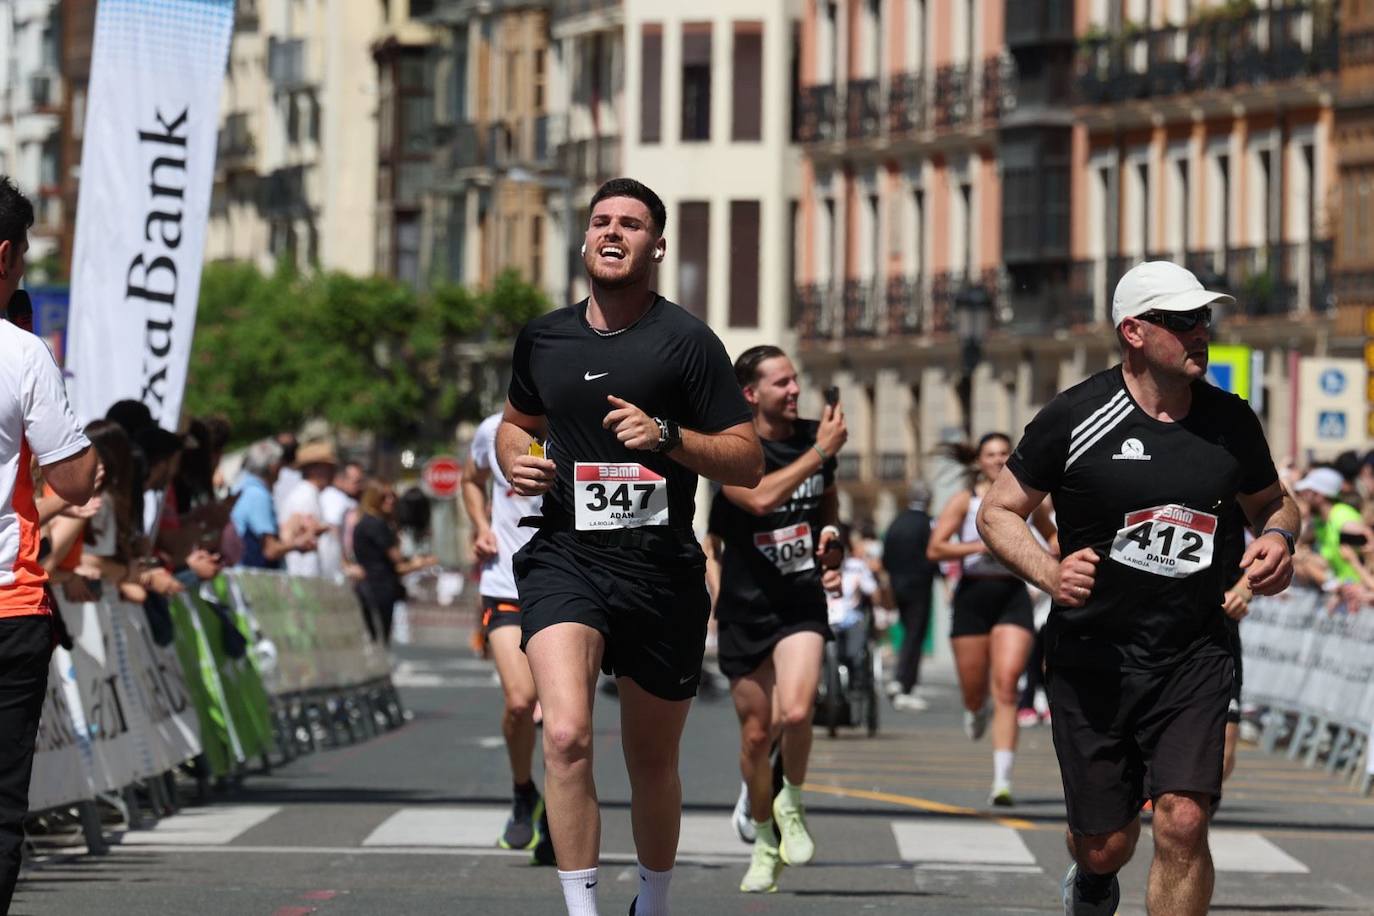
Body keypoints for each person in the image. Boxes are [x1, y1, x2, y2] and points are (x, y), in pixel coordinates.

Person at [976, 260, 1299, 916]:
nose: (1199, 332)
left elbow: (1275, 502)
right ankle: (1092, 884)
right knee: (1103, 844)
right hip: (1094, 655)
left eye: (1203, 318)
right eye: (1181, 321)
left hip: (1194, 651)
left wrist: (1280, 539)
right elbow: (997, 511)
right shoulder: (1076, 416)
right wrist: (1048, 571)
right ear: (1133, 331)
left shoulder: (1229, 421)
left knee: (1182, 820)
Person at [496, 177, 762, 916]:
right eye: (602, 222)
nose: (614, 233)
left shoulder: (687, 343)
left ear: (657, 245)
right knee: (570, 737)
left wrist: (667, 436)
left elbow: (745, 460)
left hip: (659, 569)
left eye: (633, 225)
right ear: (584, 239)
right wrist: (512, 456)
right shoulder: (544, 337)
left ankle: (653, 901)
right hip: (566, 555)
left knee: (651, 762)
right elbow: (514, 422)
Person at [700, 345, 844, 894]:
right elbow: (757, 501)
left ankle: (793, 803)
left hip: (800, 598)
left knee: (800, 708)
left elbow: (826, 503)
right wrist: (820, 453)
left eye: (795, 380)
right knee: (758, 735)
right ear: (749, 394)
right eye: (781, 382)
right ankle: (763, 837)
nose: (794, 390)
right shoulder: (734, 449)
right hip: (745, 607)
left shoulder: (816, 437)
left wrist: (832, 540)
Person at [0, 175, 99, 914]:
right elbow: (75, 472)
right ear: (4, 257)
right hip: (8, 605)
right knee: (3, 805)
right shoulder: (23, 353)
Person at [927, 433, 1057, 807]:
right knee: (974, 689)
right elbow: (935, 548)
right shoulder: (965, 501)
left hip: (1012, 595)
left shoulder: (1027, 500)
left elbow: (1053, 538)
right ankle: (973, 709)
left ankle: (1002, 780)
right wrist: (981, 545)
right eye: (991, 455)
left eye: (1005, 453)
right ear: (980, 462)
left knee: (1006, 685)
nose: (999, 460)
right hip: (972, 594)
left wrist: (1044, 562)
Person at [461, 411, 549, 862]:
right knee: (520, 701)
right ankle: (523, 791)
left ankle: (558, 809)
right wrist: (481, 527)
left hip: (570, 586)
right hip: (506, 583)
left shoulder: (587, 420)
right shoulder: (493, 431)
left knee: (562, 713)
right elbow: (471, 479)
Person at [352, 480, 436, 645]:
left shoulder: (365, 522)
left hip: (371, 585)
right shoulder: (377, 525)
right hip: (380, 586)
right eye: (384, 497)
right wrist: (420, 564)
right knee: (380, 637)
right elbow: (397, 562)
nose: (390, 501)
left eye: (392, 496)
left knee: (375, 636)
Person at [882, 480, 938, 711]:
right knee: (916, 635)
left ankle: (902, 679)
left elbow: (885, 558)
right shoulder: (928, 524)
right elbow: (934, 555)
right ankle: (904, 683)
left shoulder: (896, 522)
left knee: (908, 633)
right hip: (919, 586)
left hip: (897, 585)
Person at [230, 438, 314, 569]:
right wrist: (298, 544)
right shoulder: (258, 496)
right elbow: (270, 550)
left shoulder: (242, 487)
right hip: (253, 577)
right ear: (274, 467)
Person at [279, 442, 338, 578]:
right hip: (305, 576)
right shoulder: (305, 496)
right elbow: (295, 535)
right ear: (314, 469)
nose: (332, 473)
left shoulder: (310, 494)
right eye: (328, 468)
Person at [319, 461, 365, 580]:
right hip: (337, 568)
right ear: (340, 479)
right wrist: (345, 564)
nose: (360, 486)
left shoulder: (344, 498)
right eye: (356, 482)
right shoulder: (334, 498)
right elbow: (333, 531)